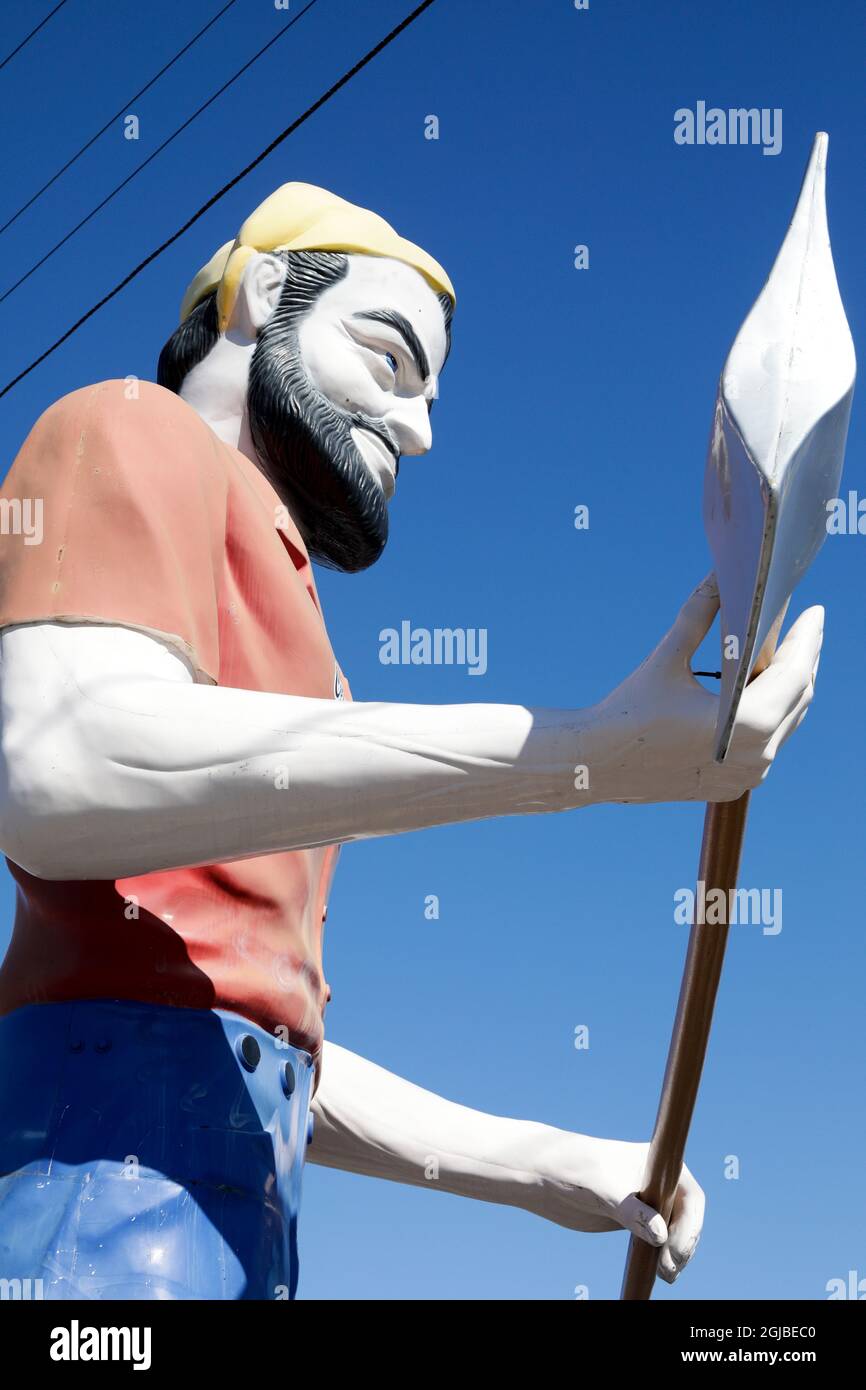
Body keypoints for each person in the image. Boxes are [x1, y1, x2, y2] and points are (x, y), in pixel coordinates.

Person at [0, 184, 822, 1299]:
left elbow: (256, 1047)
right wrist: (584, 756)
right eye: (389, 361)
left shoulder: (311, 650)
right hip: (90, 1213)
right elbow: (58, 768)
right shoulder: (123, 430)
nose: (421, 429)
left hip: (236, 1239)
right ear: (257, 295)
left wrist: (550, 1165)